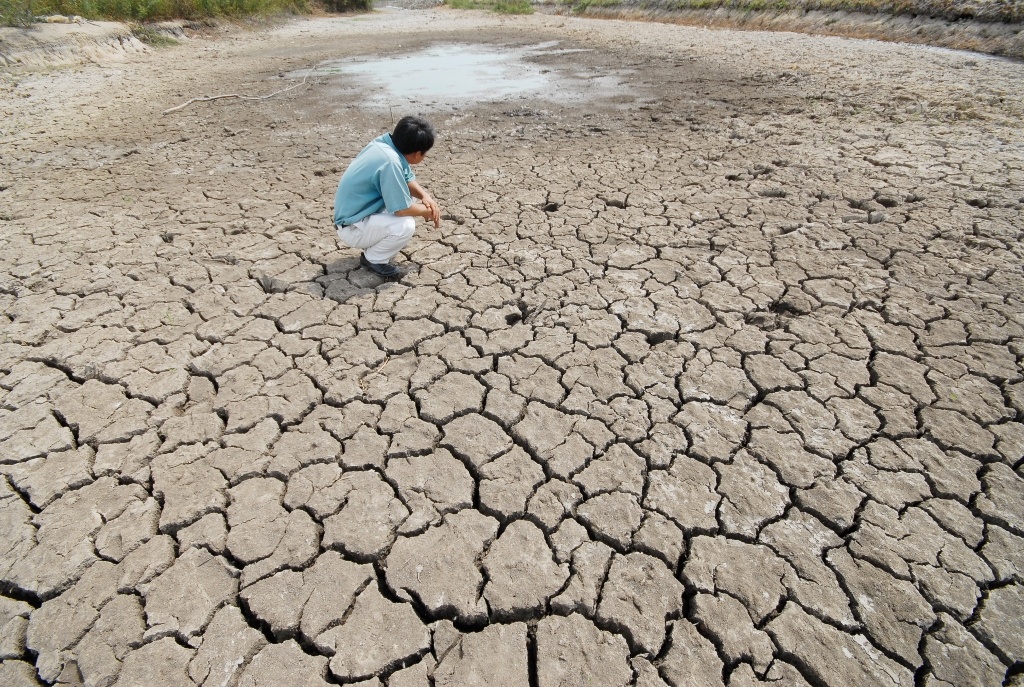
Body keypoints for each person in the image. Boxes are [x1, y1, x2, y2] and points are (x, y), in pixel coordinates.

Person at [333, 116, 442, 280]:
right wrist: (426, 212)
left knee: (409, 201)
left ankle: (375, 250)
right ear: (416, 153)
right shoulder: (390, 162)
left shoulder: (384, 144)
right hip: (351, 228)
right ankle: (373, 259)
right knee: (405, 224)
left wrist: (425, 197)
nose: (424, 157)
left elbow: (406, 178)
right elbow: (401, 210)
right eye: (424, 154)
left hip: (354, 216)